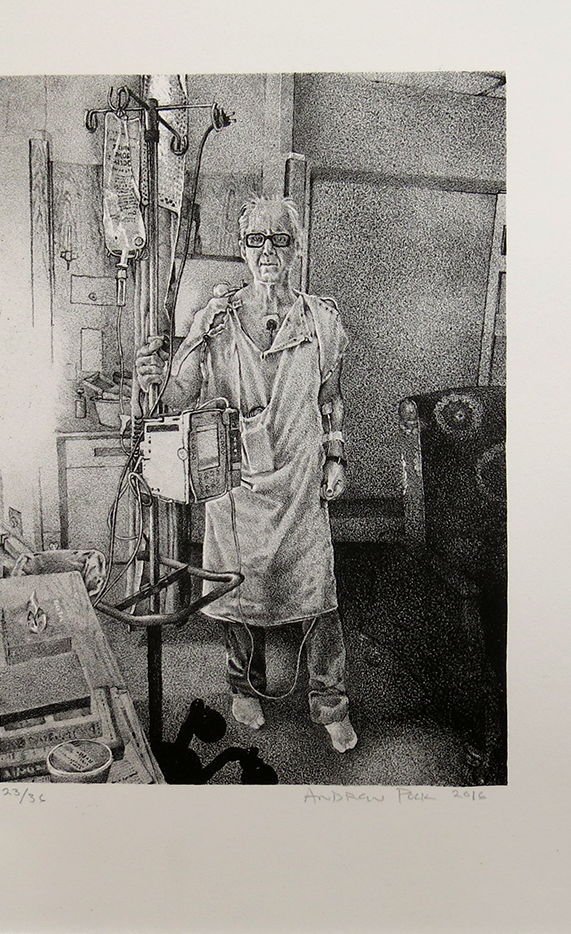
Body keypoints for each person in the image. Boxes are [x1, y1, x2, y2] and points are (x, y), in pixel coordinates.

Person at [136, 195, 357, 753]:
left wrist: (335, 456)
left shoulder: (322, 321)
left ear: (296, 248)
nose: (267, 252)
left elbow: (331, 397)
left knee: (318, 593)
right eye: (256, 240)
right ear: (242, 249)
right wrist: (155, 374)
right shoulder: (216, 319)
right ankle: (244, 687)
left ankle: (330, 702)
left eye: (279, 240)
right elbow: (179, 394)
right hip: (237, 479)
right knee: (239, 591)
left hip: (300, 473)